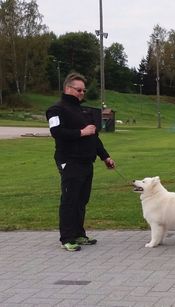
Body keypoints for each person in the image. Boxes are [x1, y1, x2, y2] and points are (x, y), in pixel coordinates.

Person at [46, 72, 116, 252]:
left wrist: (105, 157)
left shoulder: (84, 111)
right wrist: (81, 132)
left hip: (86, 162)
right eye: (78, 90)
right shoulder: (56, 110)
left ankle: (79, 233)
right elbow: (57, 132)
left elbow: (95, 138)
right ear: (68, 89)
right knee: (70, 199)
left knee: (81, 199)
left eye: (83, 90)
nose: (82, 93)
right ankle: (67, 238)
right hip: (69, 161)